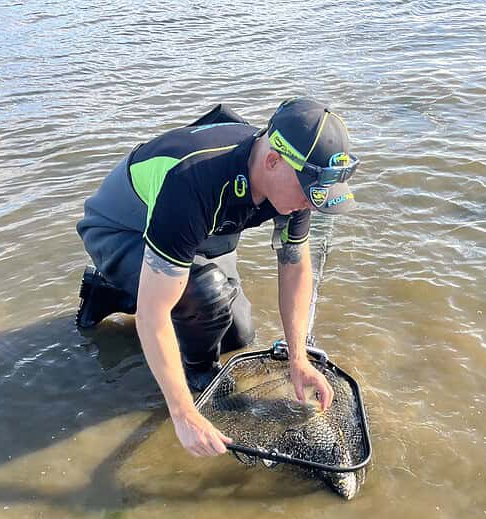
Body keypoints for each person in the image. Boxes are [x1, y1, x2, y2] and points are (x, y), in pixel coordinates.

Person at [74, 97, 359, 458]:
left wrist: (298, 358)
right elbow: (152, 314)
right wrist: (182, 413)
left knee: (238, 333)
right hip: (119, 228)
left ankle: (122, 293)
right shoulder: (193, 182)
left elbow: (295, 267)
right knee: (206, 298)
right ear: (273, 161)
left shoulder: (299, 186)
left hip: (191, 232)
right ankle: (193, 369)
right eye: (309, 193)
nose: (312, 204)